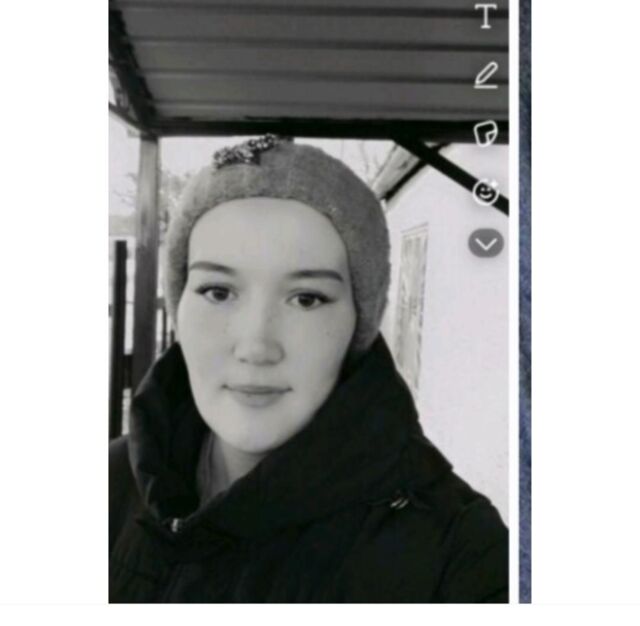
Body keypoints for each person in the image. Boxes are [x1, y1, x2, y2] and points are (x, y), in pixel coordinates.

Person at [109, 135, 508, 603]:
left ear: (359, 323)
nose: (256, 346)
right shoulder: (108, 483)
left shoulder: (462, 555)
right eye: (218, 292)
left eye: (306, 299)